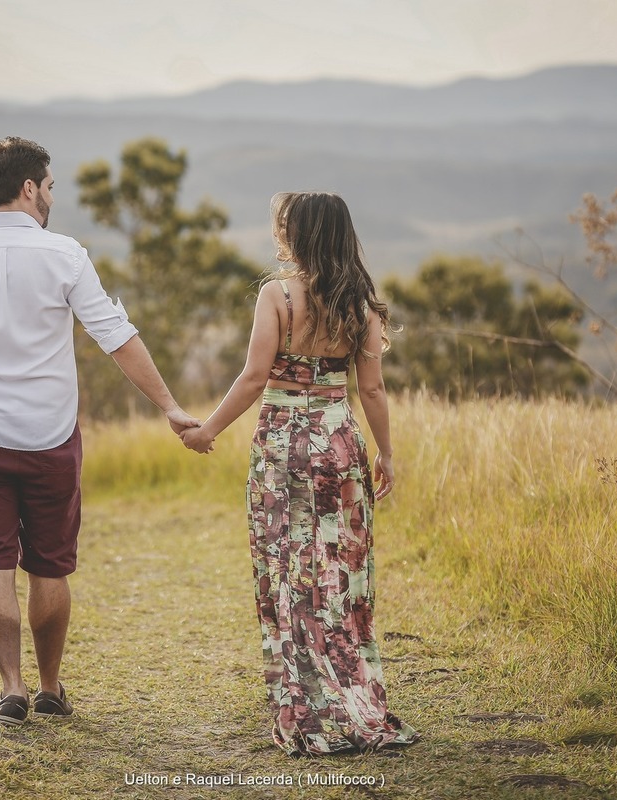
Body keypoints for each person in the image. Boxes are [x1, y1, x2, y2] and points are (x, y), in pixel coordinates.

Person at [0, 136, 198, 727]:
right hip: (50, 438)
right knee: (50, 566)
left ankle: (10, 690)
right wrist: (169, 405)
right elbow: (117, 337)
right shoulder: (64, 254)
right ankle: (50, 686)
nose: (51, 196)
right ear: (30, 188)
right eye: (51, 186)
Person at [180, 191, 418, 756]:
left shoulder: (277, 297)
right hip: (340, 442)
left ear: (297, 235)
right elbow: (373, 390)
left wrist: (208, 430)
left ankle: (306, 702)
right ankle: (354, 696)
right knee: (339, 571)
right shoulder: (359, 304)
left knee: (289, 568)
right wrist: (386, 453)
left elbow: (253, 376)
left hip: (284, 447)